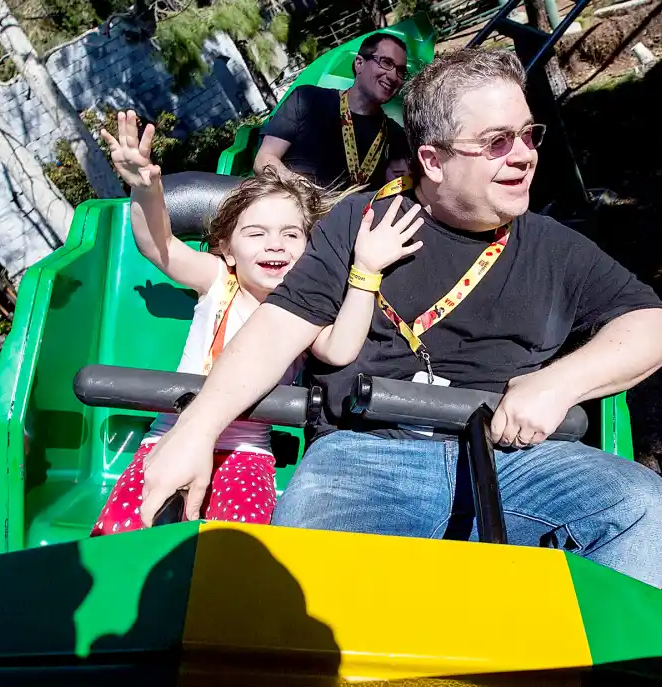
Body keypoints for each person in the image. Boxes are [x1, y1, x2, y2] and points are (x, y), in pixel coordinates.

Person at [139, 48, 662, 589]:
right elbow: (276, 331)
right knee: (308, 573)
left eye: (527, 135)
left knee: (645, 508)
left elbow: (655, 329)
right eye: (496, 141)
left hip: (510, 458)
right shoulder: (358, 221)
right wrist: (196, 428)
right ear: (433, 161)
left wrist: (559, 382)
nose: (523, 155)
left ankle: (567, 667)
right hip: (366, 457)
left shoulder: (556, 247)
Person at [91, 112, 424, 534]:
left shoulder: (307, 311)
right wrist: (145, 189)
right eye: (256, 234)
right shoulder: (217, 281)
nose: (275, 245)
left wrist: (366, 271)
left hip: (246, 452)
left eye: (291, 234)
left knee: (235, 547)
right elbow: (159, 246)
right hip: (171, 437)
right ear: (228, 250)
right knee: (125, 535)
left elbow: (339, 348)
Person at [254, 32, 411, 189]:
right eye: (385, 62)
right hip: (298, 206)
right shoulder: (307, 99)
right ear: (359, 63)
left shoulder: (395, 135)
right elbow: (264, 159)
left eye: (401, 71)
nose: (393, 76)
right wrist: (299, 187)